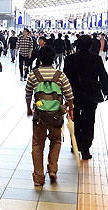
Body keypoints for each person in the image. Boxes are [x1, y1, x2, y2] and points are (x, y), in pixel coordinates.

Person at [25, 46, 74, 186]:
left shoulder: (34, 75)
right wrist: (71, 109)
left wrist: (28, 108)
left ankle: (38, 177)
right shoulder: (60, 75)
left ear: (40, 58)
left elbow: (28, 93)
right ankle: (52, 169)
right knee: (56, 140)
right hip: (56, 116)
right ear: (53, 59)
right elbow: (69, 95)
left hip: (39, 116)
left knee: (37, 144)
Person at [63, 34, 108, 160]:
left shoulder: (69, 59)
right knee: (89, 121)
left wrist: (63, 94)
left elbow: (65, 78)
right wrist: (106, 91)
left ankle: (75, 144)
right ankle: (86, 149)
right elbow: (103, 75)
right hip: (91, 94)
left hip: (74, 94)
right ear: (90, 45)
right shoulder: (96, 59)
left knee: (75, 119)